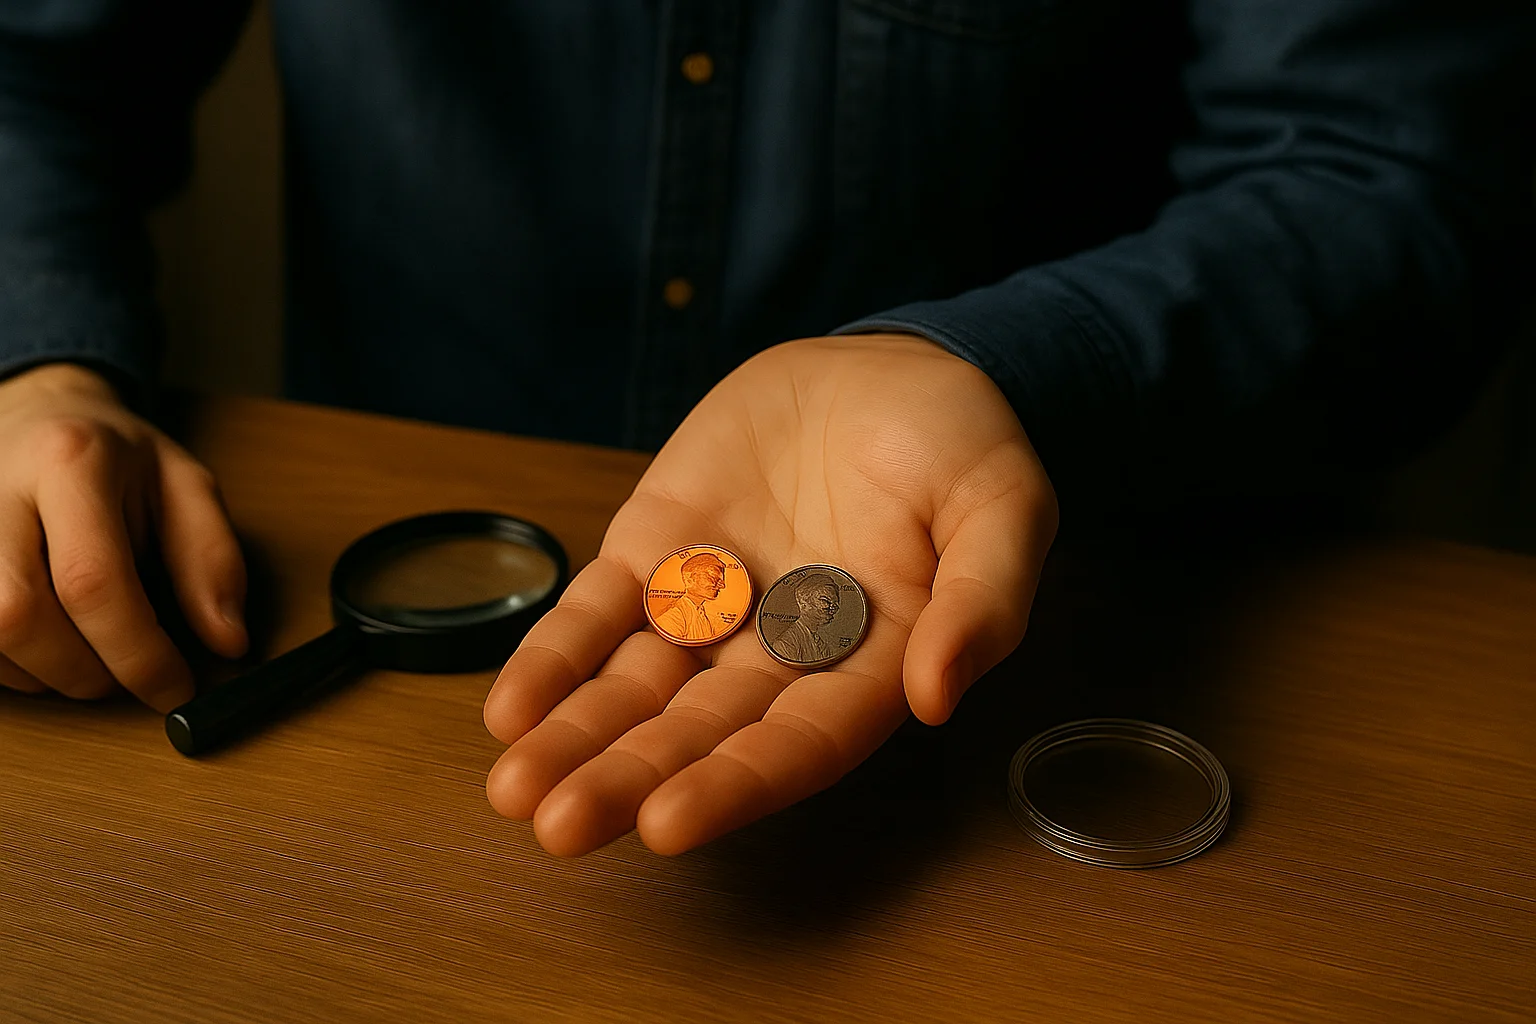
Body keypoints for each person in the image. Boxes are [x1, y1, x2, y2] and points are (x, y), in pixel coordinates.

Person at [0, 3, 1531, 859]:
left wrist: (1000, 364)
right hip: (379, 677)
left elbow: (1393, 177)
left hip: (1031, 680)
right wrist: (35, 364)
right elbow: (36, 64)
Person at [652, 553, 728, 642]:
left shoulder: (701, 614)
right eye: (712, 576)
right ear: (689, 579)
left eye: (721, 579)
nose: (722, 585)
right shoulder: (674, 615)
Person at [769, 575, 841, 664]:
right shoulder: (786, 644)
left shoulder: (823, 646)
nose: (833, 608)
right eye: (825, 600)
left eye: (835, 603)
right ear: (803, 604)